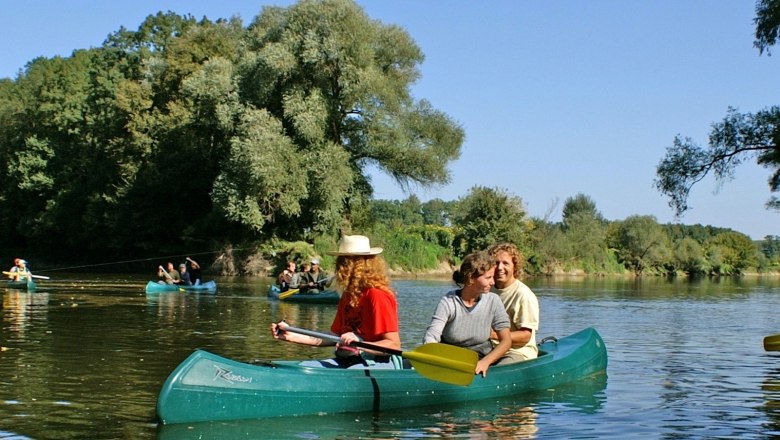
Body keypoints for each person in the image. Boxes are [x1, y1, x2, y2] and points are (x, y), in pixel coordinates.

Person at [272, 235, 402, 369]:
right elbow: (333, 337)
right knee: (305, 366)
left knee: (350, 373)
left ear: (359, 265)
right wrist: (292, 336)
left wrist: (358, 342)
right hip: (349, 360)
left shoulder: (377, 296)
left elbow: (393, 345)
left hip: (378, 362)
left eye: (344, 262)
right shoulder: (347, 296)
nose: (339, 267)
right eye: (340, 261)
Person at [423, 251, 513, 377]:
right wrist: (429, 352)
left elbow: (506, 341)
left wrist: (485, 362)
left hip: (482, 358)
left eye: (493, 277)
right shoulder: (448, 301)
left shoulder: (493, 300)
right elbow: (432, 335)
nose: (493, 282)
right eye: (488, 278)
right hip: (451, 359)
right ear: (471, 279)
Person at [487, 242, 540, 364]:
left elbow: (525, 336)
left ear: (514, 267)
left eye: (505, 263)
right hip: (490, 348)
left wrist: (493, 335)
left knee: (497, 370)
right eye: (496, 263)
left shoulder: (523, 294)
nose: (500, 268)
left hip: (517, 352)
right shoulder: (487, 289)